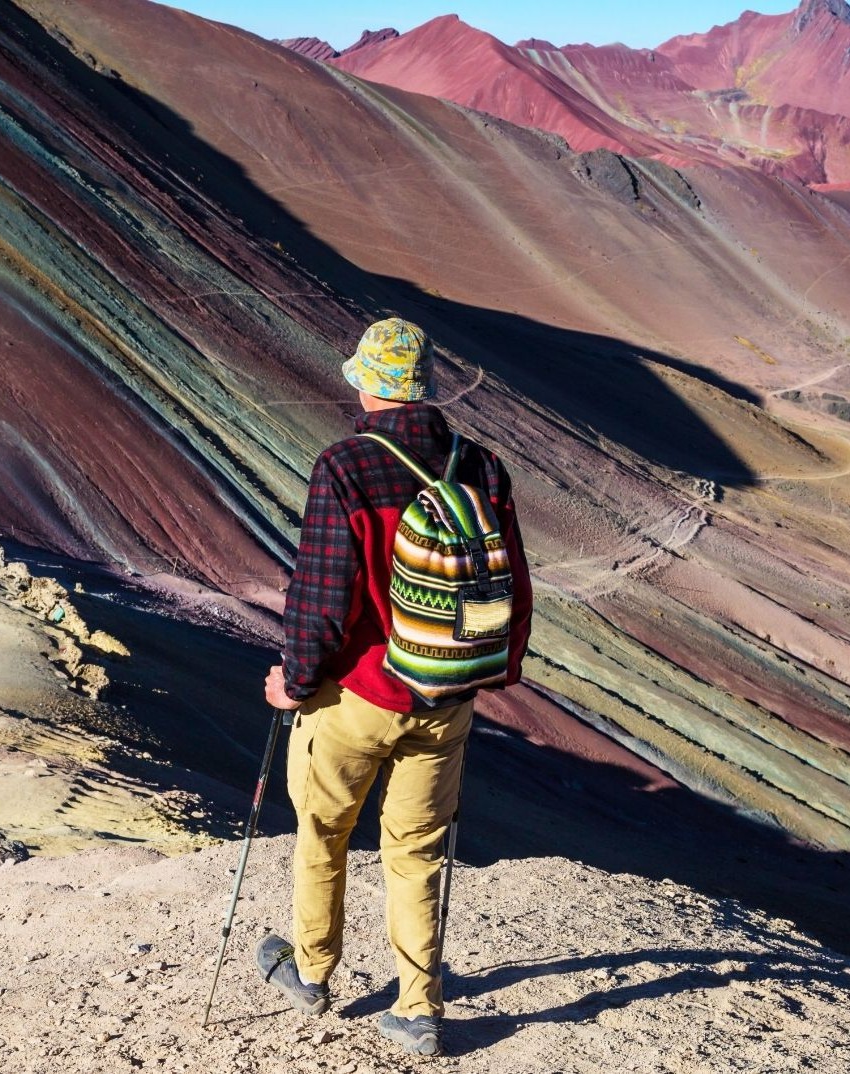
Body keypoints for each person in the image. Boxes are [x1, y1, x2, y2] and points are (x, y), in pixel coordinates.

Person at [258, 317, 532, 1056]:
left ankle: (312, 974)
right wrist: (487, 677)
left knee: (323, 835)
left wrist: (295, 682)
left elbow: (322, 599)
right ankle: (419, 1010)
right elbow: (514, 586)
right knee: (417, 854)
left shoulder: (346, 466)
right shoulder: (481, 466)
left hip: (356, 698)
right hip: (446, 700)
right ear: (427, 387)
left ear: (368, 383)